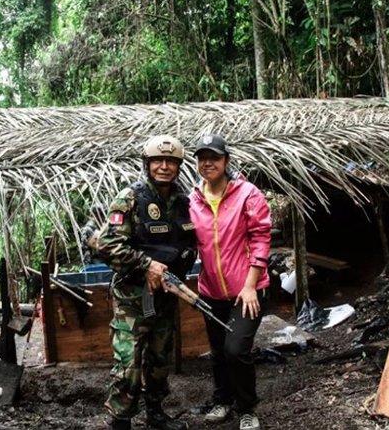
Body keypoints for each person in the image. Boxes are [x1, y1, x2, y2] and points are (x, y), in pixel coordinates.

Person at [96, 135, 197, 430]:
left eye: (171, 162)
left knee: (160, 358)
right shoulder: (129, 198)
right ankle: (121, 420)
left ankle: (155, 412)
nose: (164, 167)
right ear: (148, 164)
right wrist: (146, 265)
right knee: (129, 362)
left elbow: (193, 242)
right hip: (132, 297)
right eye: (158, 161)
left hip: (166, 295)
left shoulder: (186, 203)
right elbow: (106, 245)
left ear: (178, 165)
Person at [189, 134, 271, 430]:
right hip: (210, 291)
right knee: (218, 350)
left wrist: (250, 285)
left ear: (226, 161)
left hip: (247, 290)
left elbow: (261, 238)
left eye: (214, 157)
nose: (207, 162)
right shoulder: (193, 199)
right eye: (202, 157)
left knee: (236, 350)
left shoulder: (248, 194)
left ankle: (247, 407)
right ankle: (222, 400)